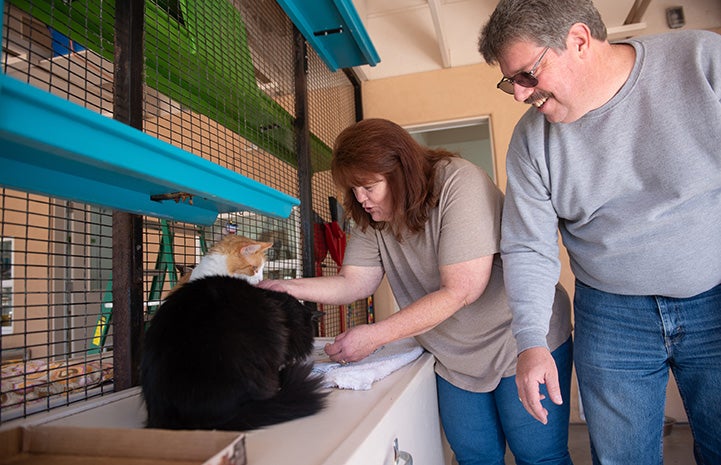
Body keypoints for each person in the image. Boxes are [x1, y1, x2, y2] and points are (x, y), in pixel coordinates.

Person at [478, 1, 721, 464]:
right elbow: (529, 247)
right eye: (511, 81)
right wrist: (530, 341)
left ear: (579, 41)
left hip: (713, 292)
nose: (518, 94)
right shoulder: (533, 141)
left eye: (527, 74)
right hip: (611, 315)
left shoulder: (702, 62)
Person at [258, 118, 574, 465]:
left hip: (516, 339)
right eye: (354, 190)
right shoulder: (370, 213)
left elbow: (462, 289)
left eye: (368, 187)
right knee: (475, 456)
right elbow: (355, 282)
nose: (360, 199)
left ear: (400, 172)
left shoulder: (458, 182)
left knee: (539, 455)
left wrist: (376, 335)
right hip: (453, 354)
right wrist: (284, 287)